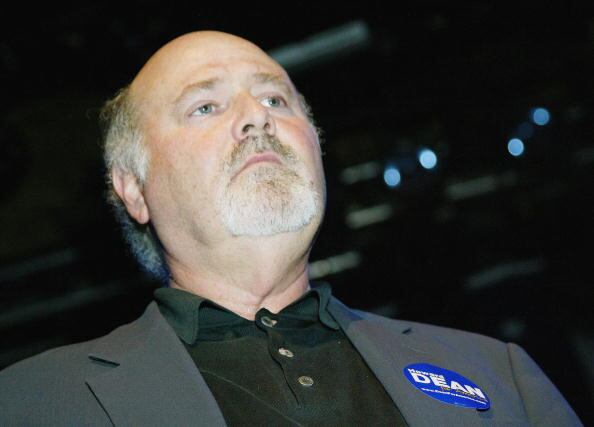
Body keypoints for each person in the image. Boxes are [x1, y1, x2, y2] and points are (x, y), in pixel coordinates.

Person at [0, 31, 582, 426]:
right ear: (133, 188)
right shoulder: (34, 404)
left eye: (277, 99)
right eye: (205, 107)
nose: (257, 116)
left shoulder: (499, 376)